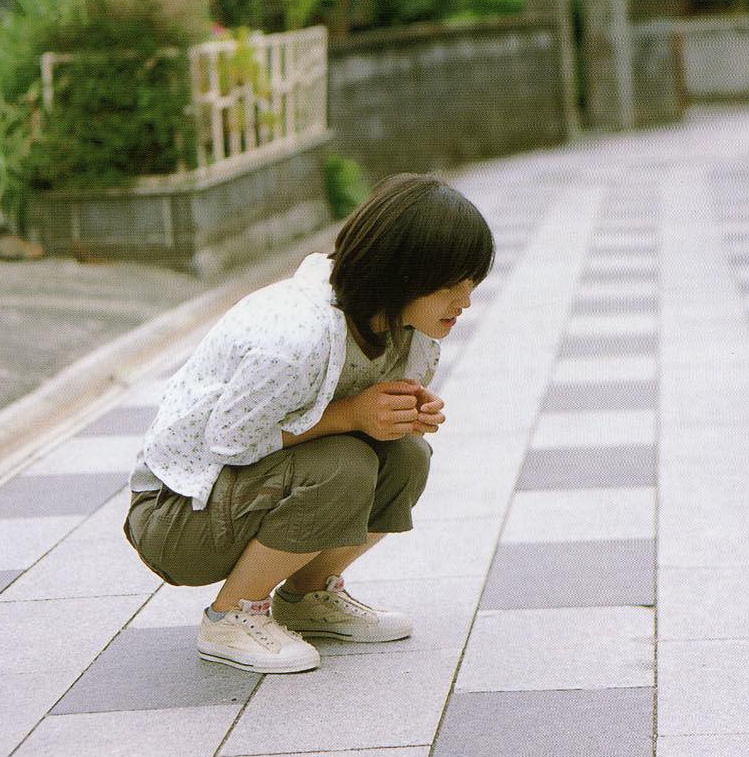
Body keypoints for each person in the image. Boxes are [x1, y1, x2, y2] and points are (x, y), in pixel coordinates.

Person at [123, 173, 494, 674]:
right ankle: (230, 616)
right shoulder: (298, 335)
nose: (465, 302)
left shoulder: (409, 329)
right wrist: (353, 415)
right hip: (178, 515)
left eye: (471, 284)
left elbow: (363, 416)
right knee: (345, 466)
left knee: (406, 457)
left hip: (235, 494)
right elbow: (229, 443)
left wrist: (404, 414)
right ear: (402, 273)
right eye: (453, 286)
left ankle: (307, 597)